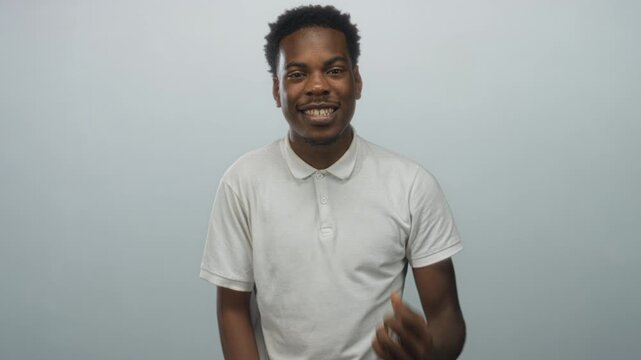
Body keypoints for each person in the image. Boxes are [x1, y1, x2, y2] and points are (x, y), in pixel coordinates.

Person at [200, 5, 466, 359]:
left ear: (357, 82)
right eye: (297, 74)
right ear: (277, 90)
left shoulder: (411, 184)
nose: (318, 86)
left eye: (335, 70)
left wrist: (430, 352)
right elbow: (232, 309)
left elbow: (446, 315)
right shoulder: (242, 183)